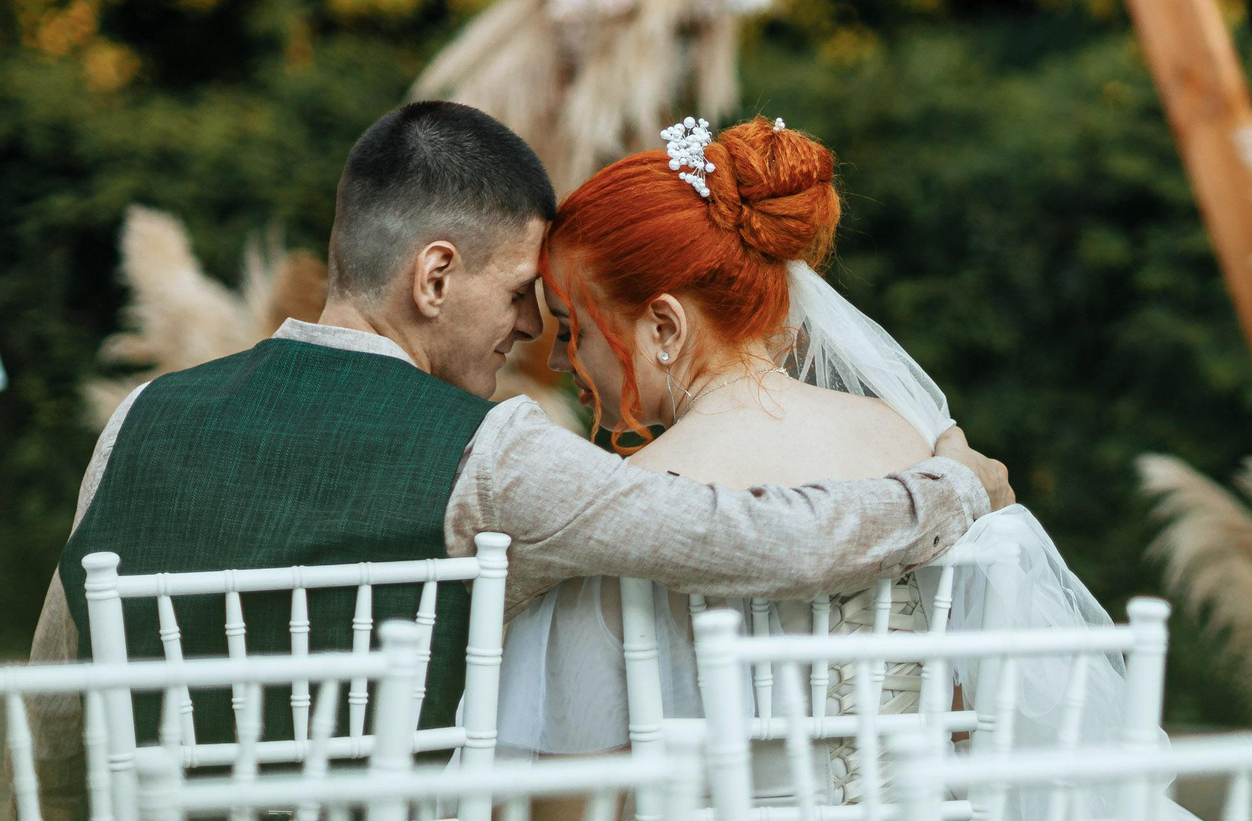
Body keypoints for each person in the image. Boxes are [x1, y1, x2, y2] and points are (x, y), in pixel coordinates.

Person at [30, 101, 1013, 763]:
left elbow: (61, 695)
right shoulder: (490, 456)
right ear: (432, 277)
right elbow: (751, 537)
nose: (531, 331)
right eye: (516, 294)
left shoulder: (141, 420)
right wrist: (953, 486)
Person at [503, 115, 1252, 821]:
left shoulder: (627, 506)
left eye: (575, 330)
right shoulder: (915, 445)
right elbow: (965, 712)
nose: (567, 359)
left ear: (666, 325)